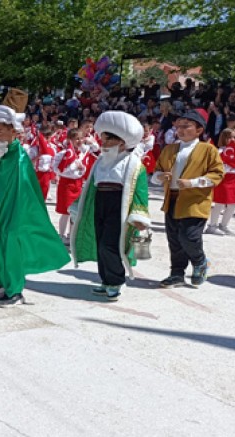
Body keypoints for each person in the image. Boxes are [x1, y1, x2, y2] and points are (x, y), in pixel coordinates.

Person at [0, 88, 70, 306]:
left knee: (9, 244)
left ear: (14, 131)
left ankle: (13, 289)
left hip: (13, 213)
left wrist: (13, 217)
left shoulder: (19, 158)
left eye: (1, 131)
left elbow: (24, 191)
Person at [68, 111, 151, 301]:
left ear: (122, 143)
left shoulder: (133, 164)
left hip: (118, 206)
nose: (103, 144)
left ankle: (115, 280)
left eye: (108, 141)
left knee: (110, 245)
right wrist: (78, 206)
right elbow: (90, 187)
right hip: (100, 203)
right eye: (103, 140)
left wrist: (139, 216)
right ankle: (105, 280)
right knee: (100, 243)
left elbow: (140, 191)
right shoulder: (100, 163)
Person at [152, 109, 224, 288]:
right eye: (179, 126)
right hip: (173, 199)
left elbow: (217, 174)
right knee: (174, 238)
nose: (181, 130)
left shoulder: (208, 150)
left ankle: (200, 261)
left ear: (199, 130)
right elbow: (156, 172)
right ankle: (176, 273)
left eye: (186, 126)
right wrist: (160, 177)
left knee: (189, 236)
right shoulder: (169, 149)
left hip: (195, 200)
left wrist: (192, 183)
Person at [52, 129, 90, 243]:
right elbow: (57, 169)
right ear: (70, 140)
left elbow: (84, 169)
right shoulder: (64, 154)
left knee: (75, 212)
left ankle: (71, 235)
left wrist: (81, 169)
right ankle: (62, 235)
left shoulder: (82, 154)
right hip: (66, 183)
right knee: (66, 211)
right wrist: (73, 168)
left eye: (80, 138)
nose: (79, 141)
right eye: (76, 139)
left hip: (77, 184)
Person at [205, 128, 235, 236]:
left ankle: (224, 225)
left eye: (234, 137)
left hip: (234, 180)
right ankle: (212, 226)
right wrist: (229, 165)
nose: (232, 139)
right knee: (220, 203)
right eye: (229, 137)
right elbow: (217, 166)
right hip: (223, 180)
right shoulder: (220, 151)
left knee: (233, 204)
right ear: (224, 138)